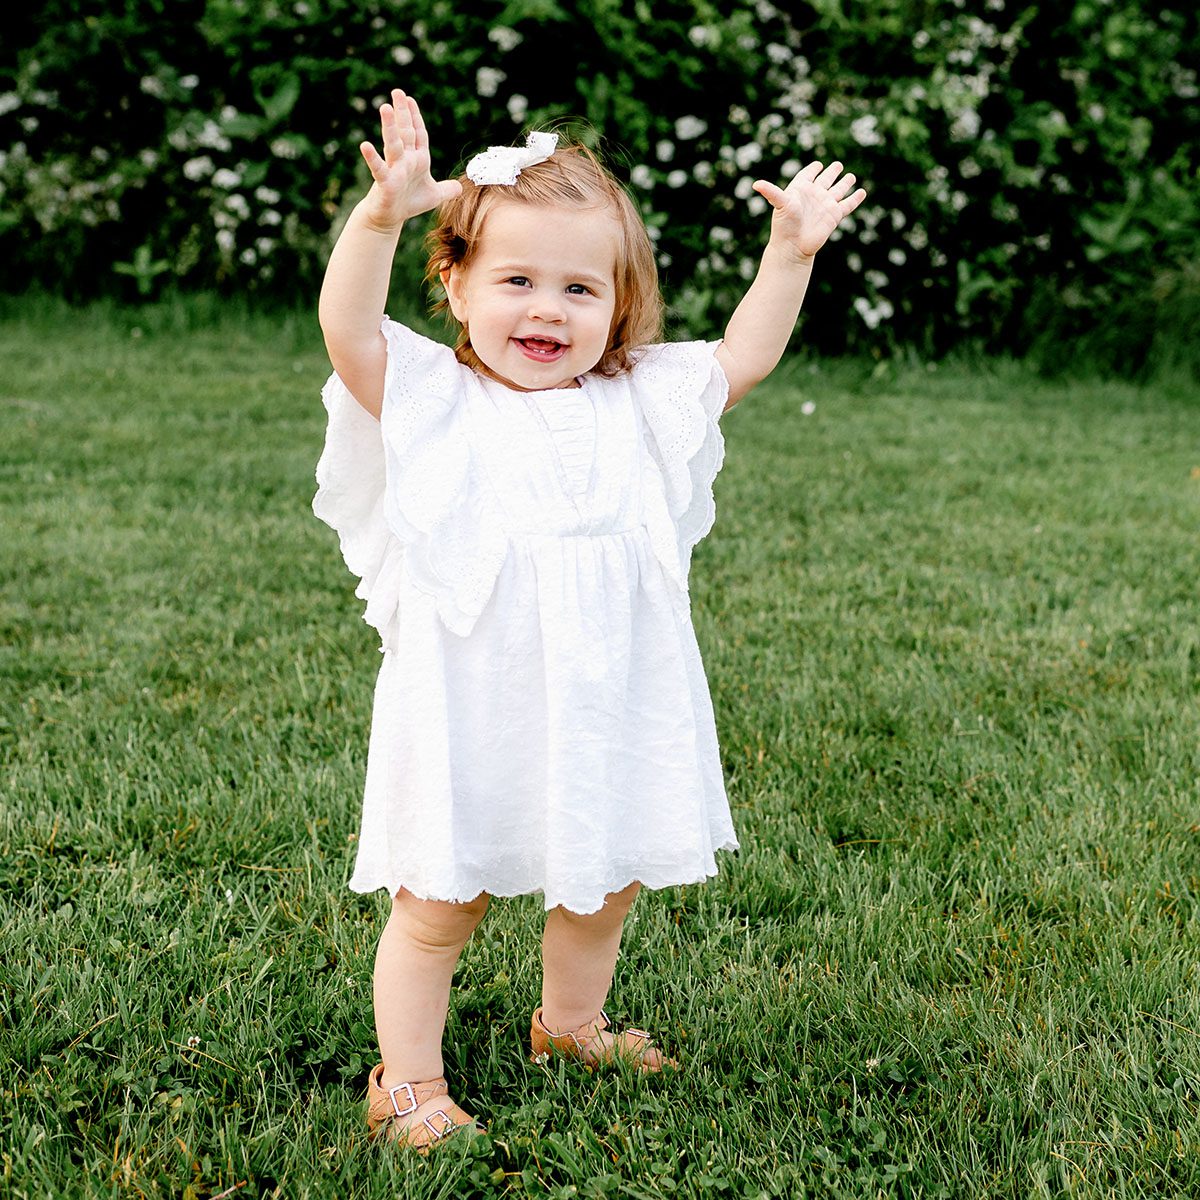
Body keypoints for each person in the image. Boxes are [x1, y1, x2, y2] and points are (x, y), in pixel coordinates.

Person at [314, 88, 866, 1151]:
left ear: (620, 305)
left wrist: (789, 255)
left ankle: (570, 1024)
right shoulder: (437, 399)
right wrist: (381, 217)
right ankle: (408, 1081)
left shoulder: (642, 398)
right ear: (457, 282)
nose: (546, 310)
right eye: (516, 280)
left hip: (609, 696)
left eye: (580, 287)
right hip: (476, 702)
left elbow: (743, 357)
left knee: (605, 881)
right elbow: (348, 328)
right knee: (440, 901)